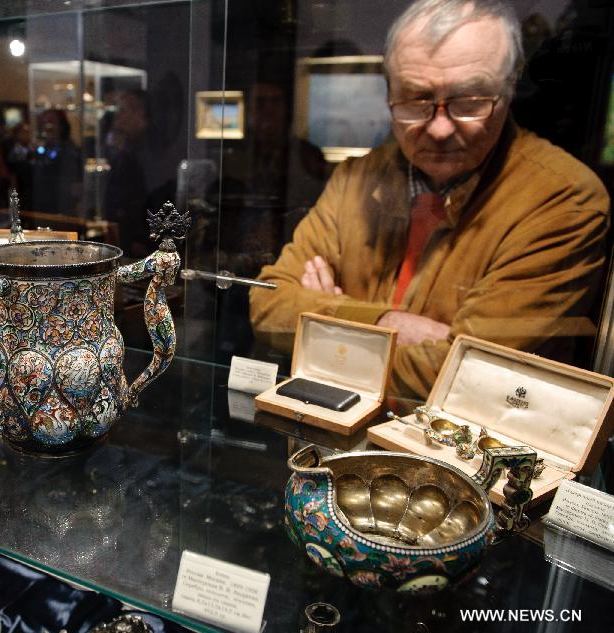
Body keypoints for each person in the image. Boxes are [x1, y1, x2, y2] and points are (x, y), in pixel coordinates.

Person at [249, 0, 610, 400]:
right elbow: (268, 307)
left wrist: (329, 318)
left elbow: (469, 377)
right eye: (416, 100)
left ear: (509, 91)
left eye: (469, 101)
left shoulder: (565, 200)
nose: (438, 128)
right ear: (389, 93)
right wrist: (390, 321)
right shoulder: (355, 177)